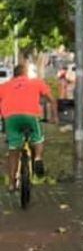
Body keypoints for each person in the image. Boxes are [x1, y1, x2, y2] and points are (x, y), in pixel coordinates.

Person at [0, 63, 54, 191]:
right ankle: (38, 158)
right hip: (30, 116)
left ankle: (12, 183)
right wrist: (54, 117)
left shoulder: (4, 86)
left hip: (11, 118)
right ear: (25, 73)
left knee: (13, 151)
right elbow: (51, 99)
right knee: (38, 138)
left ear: (14, 74)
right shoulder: (36, 83)